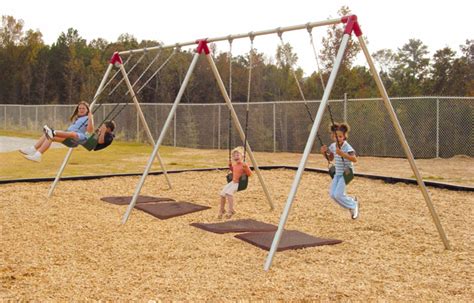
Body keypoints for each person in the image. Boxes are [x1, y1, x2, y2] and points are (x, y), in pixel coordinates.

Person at [19, 101, 115, 162]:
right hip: (68, 137)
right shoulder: (79, 118)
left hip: (79, 139)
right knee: (48, 136)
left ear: (87, 110)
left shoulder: (88, 118)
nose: (81, 110)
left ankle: (53, 132)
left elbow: (90, 131)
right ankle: (36, 152)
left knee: (68, 133)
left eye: (83, 108)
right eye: (79, 108)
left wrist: (91, 119)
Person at [320, 122, 359, 220]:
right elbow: (331, 158)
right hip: (338, 173)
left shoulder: (347, 146)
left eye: (341, 136)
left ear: (345, 136)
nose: (339, 138)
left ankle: (353, 205)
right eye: (336, 136)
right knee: (333, 195)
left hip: (347, 173)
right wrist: (324, 153)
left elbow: (354, 159)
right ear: (333, 136)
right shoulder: (333, 146)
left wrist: (342, 154)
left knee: (338, 194)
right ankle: (351, 202)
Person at [218, 146, 252, 219]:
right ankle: (222, 209)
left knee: (228, 193)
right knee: (222, 194)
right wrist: (230, 166)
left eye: (237, 155)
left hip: (239, 183)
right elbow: (234, 171)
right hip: (233, 182)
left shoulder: (244, 165)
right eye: (234, 155)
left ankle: (230, 210)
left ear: (242, 156)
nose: (235, 156)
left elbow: (249, 174)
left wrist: (246, 168)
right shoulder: (235, 165)